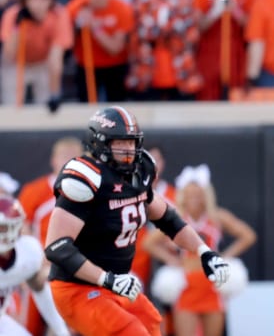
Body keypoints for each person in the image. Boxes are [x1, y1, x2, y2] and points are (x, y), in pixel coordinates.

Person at [44, 106, 230, 336]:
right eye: (120, 143)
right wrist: (106, 279)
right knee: (130, 331)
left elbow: (168, 219)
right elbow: (56, 247)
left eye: (131, 143)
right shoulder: (86, 179)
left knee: (152, 324)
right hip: (78, 288)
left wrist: (204, 251)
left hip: (115, 284)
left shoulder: (138, 174)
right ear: (99, 143)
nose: (128, 150)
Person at [144, 164, 257, 336]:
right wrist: (171, 260)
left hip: (212, 286)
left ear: (206, 196)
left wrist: (225, 257)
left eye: (198, 195)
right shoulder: (177, 218)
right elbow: (148, 243)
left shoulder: (217, 217)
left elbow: (248, 235)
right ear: (183, 196)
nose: (194, 199)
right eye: (190, 195)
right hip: (186, 285)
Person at [17, 136, 83, 336]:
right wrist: (38, 256)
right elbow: (21, 227)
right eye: (64, 157)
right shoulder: (35, 190)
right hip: (42, 263)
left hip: (75, 264)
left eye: (74, 158)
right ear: (53, 160)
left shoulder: (91, 192)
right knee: (27, 322)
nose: (68, 162)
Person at [0, 195, 70, 336]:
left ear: (16, 227)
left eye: (2, 228)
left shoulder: (28, 253)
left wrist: (61, 331)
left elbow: (38, 286)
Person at [0, 0, 72, 110]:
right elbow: (8, 55)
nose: (38, 3)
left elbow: (56, 58)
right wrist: (17, 29)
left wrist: (54, 94)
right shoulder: (13, 15)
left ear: (51, 0)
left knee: (47, 107)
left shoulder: (59, 15)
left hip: (43, 62)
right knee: (11, 107)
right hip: (16, 64)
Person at [66, 0, 134, 103]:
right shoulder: (75, 7)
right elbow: (66, 44)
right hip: (87, 66)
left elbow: (115, 49)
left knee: (116, 107)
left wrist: (96, 29)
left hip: (116, 66)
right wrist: (77, 27)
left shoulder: (122, 9)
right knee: (87, 106)